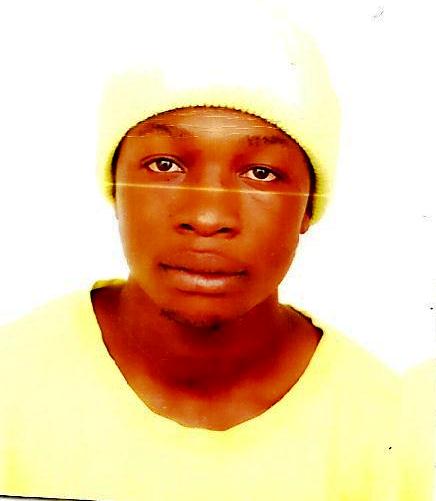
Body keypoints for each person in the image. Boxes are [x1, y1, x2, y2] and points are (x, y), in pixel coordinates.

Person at [0, 13, 426, 501]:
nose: (207, 216)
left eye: (261, 173)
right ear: (115, 186)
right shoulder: (11, 384)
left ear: (309, 205)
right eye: (165, 164)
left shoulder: (393, 434)